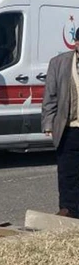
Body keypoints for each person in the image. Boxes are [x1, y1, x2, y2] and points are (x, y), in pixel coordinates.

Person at [42, 36, 79, 217]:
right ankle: (69, 210)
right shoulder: (59, 63)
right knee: (68, 172)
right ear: (76, 43)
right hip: (69, 127)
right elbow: (50, 95)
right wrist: (48, 123)